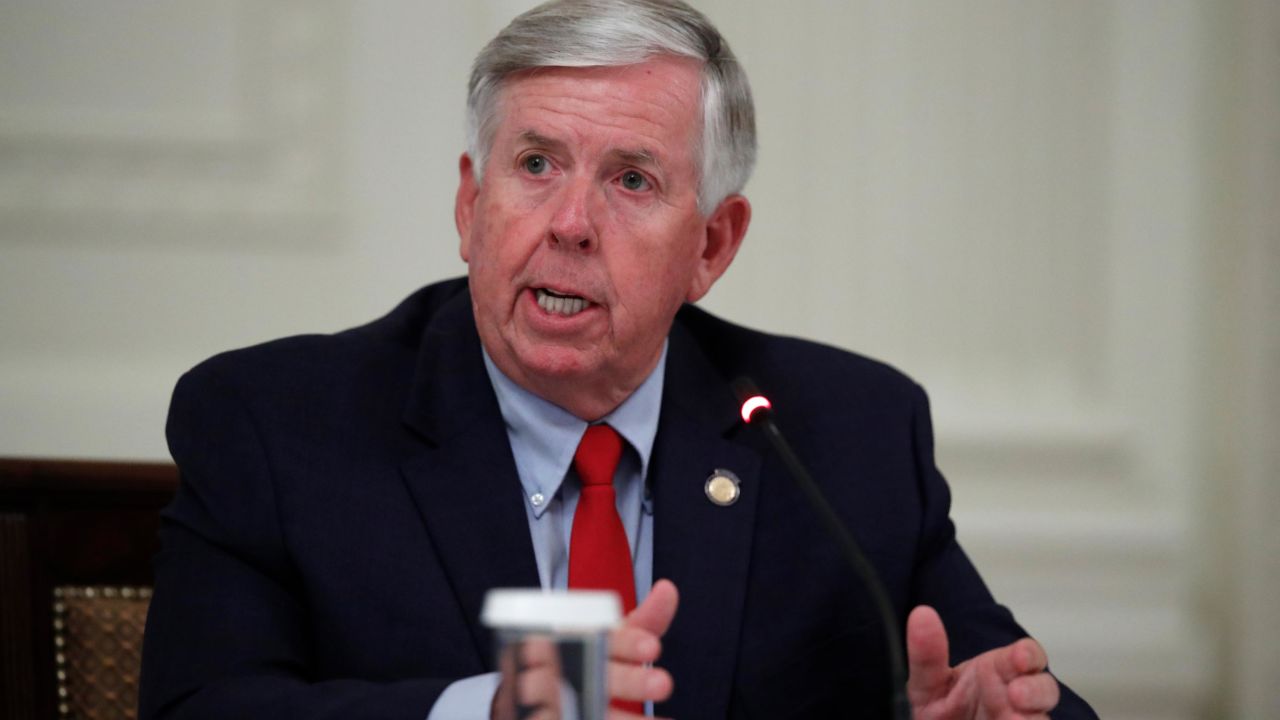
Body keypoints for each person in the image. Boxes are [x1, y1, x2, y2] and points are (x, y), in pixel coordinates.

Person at [139, 1, 1097, 718]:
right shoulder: (275, 423)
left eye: (631, 180)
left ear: (713, 247)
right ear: (471, 206)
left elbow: (996, 686)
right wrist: (484, 711)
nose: (569, 225)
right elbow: (201, 710)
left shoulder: (846, 437)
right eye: (537, 165)